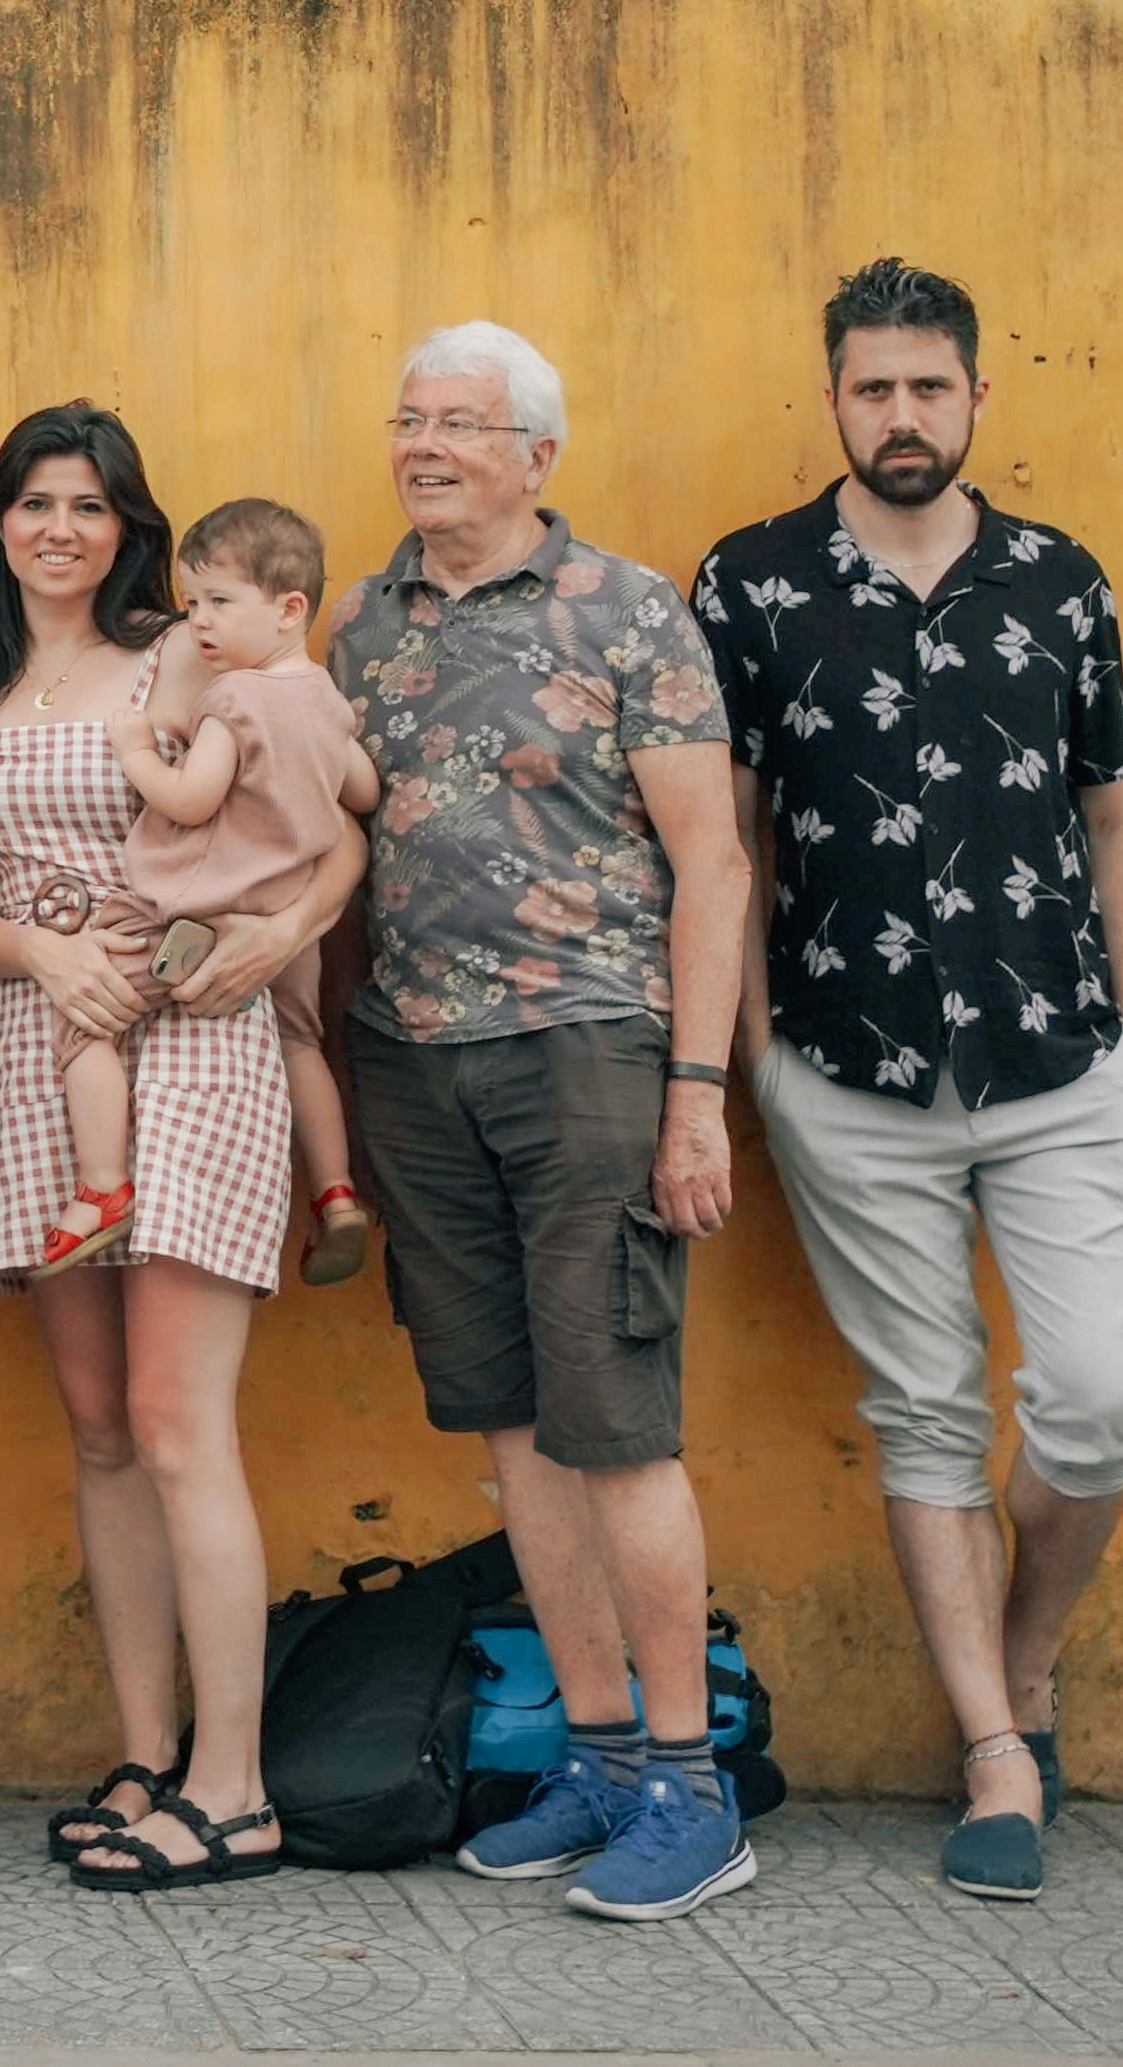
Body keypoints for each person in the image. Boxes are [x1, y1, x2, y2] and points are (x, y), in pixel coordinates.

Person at [698, 260, 1123, 1908]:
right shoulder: (746, 585)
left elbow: (1109, 803)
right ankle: (988, 1749)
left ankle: (1018, 1661)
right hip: (847, 1061)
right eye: (869, 387)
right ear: (828, 398)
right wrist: (751, 1046)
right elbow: (719, 832)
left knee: (1097, 1397)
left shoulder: (1056, 579)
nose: (899, 414)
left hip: (1062, 1056)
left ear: (975, 397)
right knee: (925, 1412)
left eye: (926, 386)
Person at [331, 318, 756, 1924]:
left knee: (616, 1420)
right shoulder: (361, 623)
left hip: (588, 1053)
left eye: (460, 421)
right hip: (415, 1063)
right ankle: (589, 1757)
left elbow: (710, 860)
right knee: (510, 1421)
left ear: (536, 454)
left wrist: (695, 1092)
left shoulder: (631, 609)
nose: (425, 443)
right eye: (408, 416)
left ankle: (690, 1784)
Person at [0, 405, 358, 1896]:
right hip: (53, 1041)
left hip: (200, 1026)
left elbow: (334, 813)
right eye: (34, 499)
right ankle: (146, 1748)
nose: (59, 526)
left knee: (179, 1419)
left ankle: (232, 1788)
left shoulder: (197, 644)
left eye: (89, 503)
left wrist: (284, 930)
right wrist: (47, 957)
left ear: (130, 526)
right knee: (100, 1424)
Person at [48, 500, 381, 1282]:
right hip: (283, 927)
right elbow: (361, 793)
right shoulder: (328, 703)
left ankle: (100, 1187)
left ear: (290, 608)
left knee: (84, 1028)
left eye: (220, 602)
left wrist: (135, 748)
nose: (199, 620)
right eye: (192, 601)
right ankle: (335, 1192)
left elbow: (190, 799)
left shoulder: (234, 699)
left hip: (187, 917)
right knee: (300, 1041)